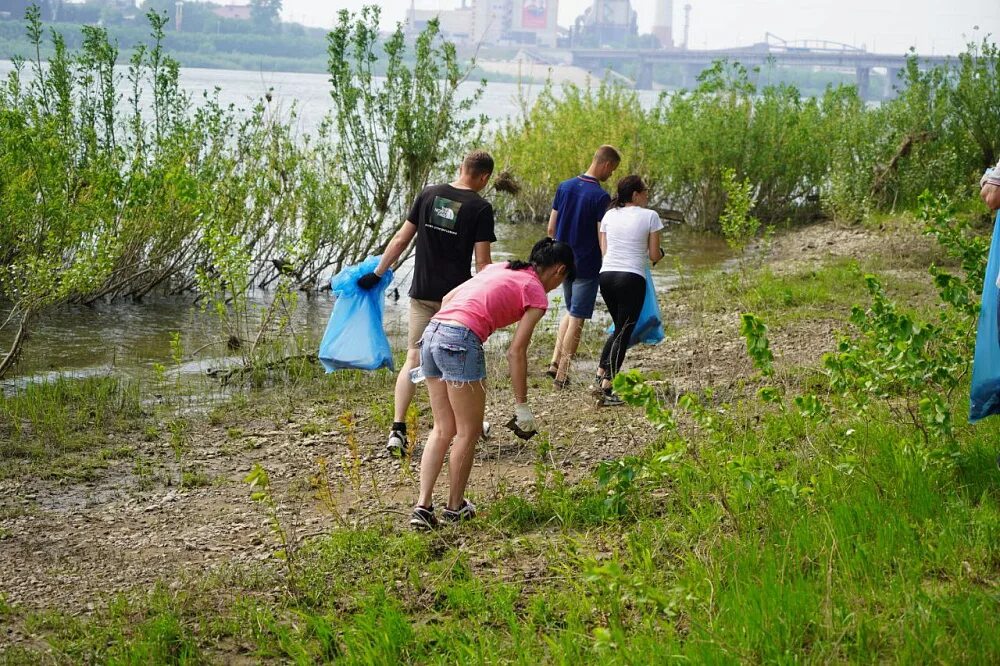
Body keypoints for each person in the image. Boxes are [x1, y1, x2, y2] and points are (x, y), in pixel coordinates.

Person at [409, 238, 575, 529]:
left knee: (443, 428)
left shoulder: (500, 267)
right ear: (559, 270)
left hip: (431, 334)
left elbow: (448, 298)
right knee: (468, 432)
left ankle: (423, 508)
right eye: (562, 279)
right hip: (459, 341)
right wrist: (522, 406)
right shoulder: (536, 292)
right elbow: (516, 351)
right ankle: (454, 508)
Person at [357, 151, 496, 456]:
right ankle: (468, 423)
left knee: (414, 361)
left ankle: (397, 431)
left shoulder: (429, 194)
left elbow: (399, 241)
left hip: (421, 294)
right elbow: (483, 263)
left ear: (461, 167)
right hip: (456, 303)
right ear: (484, 177)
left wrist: (377, 274)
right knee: (457, 363)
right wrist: (497, 293)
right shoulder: (480, 208)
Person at [546, 145, 622, 388]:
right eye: (613, 170)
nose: (611, 175)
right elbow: (603, 236)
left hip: (562, 262)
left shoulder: (564, 186)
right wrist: (608, 263)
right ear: (607, 165)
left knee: (570, 311)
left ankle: (554, 363)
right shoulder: (600, 197)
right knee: (577, 318)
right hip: (586, 265)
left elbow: (551, 229)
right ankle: (562, 375)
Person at [594, 176, 664, 406]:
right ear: (635, 194)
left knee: (618, 327)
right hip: (631, 277)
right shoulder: (650, 216)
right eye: (645, 191)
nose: (647, 195)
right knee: (624, 332)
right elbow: (654, 255)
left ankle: (599, 373)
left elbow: (604, 250)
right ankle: (607, 387)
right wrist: (660, 253)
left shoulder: (609, 215)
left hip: (606, 276)